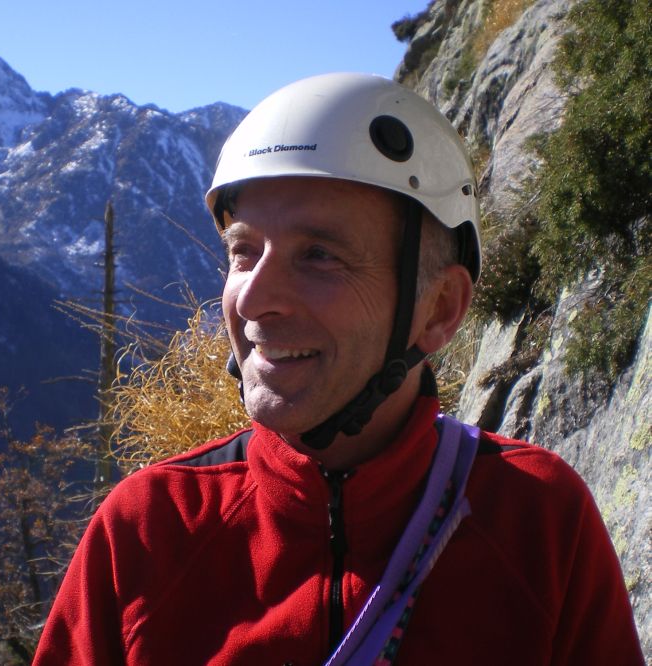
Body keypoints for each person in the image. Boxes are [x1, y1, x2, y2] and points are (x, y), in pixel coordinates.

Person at [33, 73, 643, 665]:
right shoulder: (147, 530)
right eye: (243, 252)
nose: (252, 299)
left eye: (319, 256)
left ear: (439, 308)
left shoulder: (537, 522)